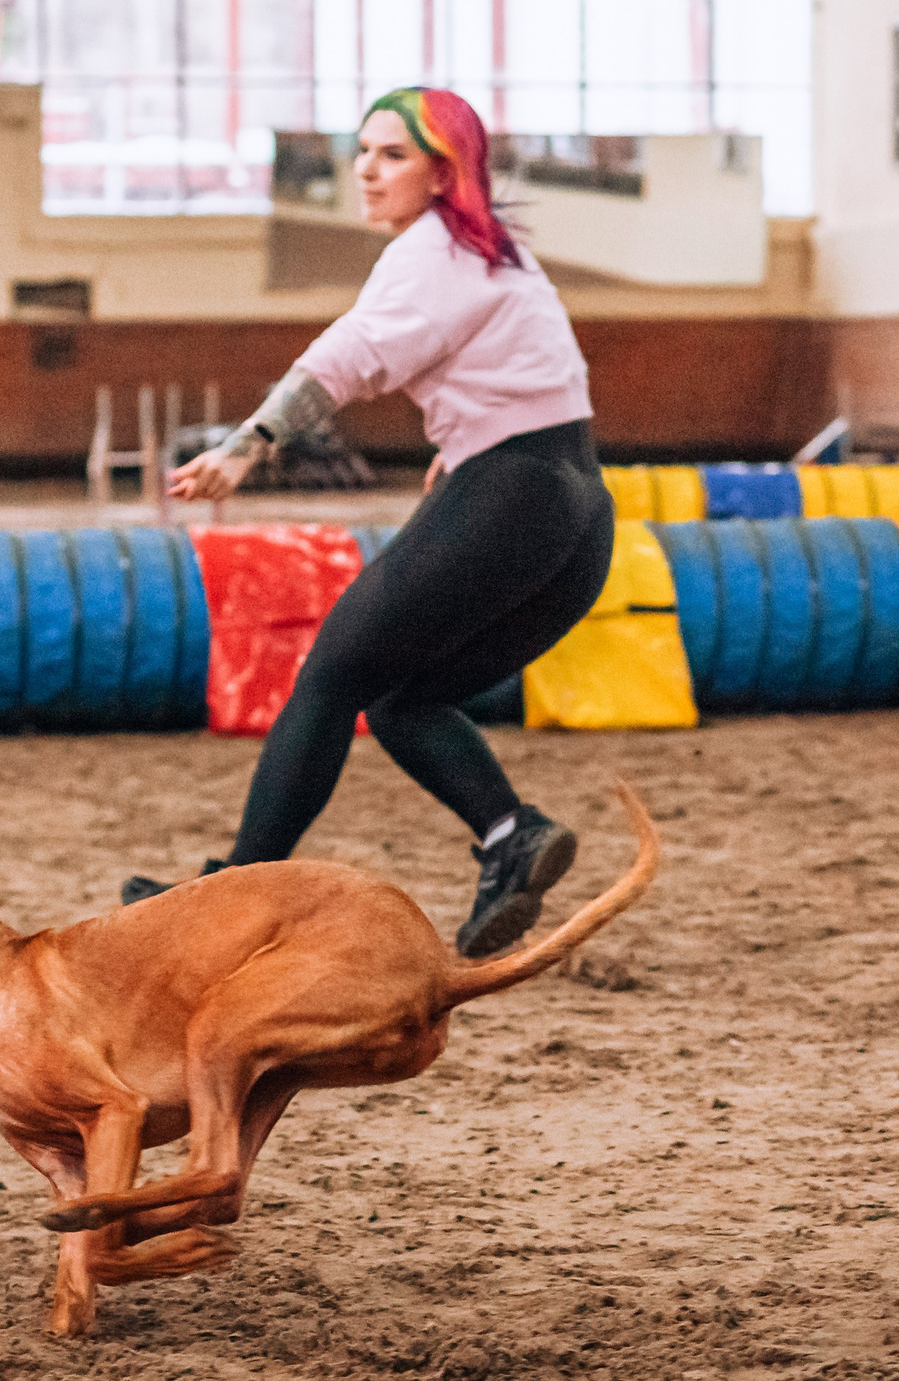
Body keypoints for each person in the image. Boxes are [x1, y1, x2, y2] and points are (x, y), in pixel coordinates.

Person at [122, 87, 614, 961]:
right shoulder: (496, 250)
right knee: (399, 695)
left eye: (391, 154)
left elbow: (347, 357)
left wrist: (252, 442)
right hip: (576, 506)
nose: (365, 170)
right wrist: (465, 442)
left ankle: (232, 904)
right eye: (362, 152)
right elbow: (535, 376)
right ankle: (511, 836)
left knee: (329, 673)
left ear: (442, 170)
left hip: (516, 495)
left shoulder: (431, 252)